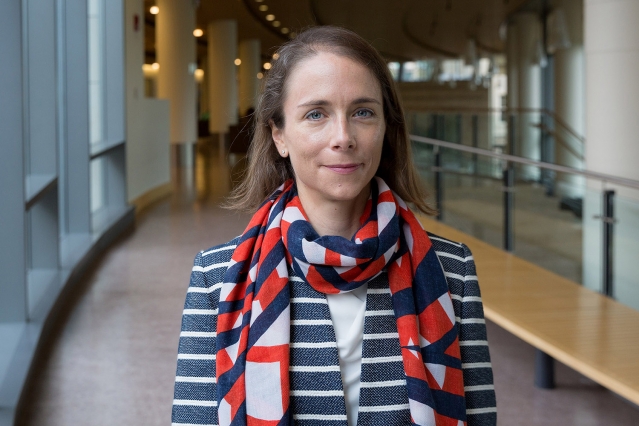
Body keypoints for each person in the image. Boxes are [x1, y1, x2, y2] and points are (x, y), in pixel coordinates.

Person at [172, 26, 496, 426]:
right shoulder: (216, 276)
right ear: (279, 135)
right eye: (315, 114)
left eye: (363, 112)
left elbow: (480, 418)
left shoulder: (452, 269)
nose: (343, 137)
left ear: (385, 129)